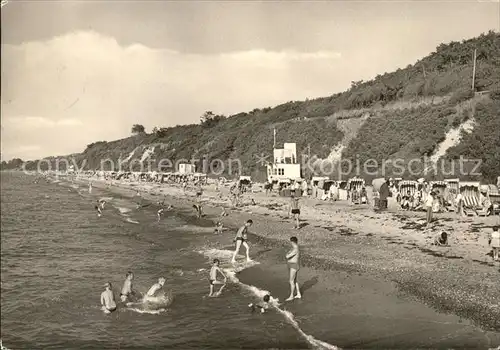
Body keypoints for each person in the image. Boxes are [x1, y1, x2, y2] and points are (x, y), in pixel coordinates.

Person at [286, 236, 301, 301]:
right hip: (293, 265)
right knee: (295, 280)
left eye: (291, 242)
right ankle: (298, 294)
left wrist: (288, 254)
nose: (290, 243)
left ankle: (291, 296)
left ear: (292, 242)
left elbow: (287, 256)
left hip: (293, 266)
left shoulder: (295, 249)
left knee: (291, 281)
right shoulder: (294, 248)